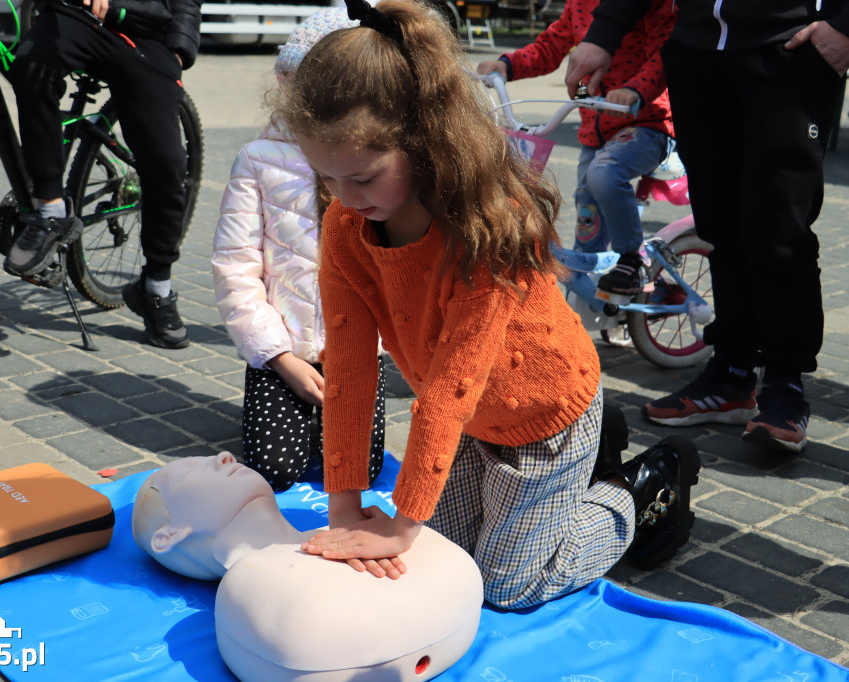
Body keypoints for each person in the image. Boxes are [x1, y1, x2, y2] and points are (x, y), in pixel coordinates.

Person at [271, 0, 701, 609]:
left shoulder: (483, 228)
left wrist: (399, 524)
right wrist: (346, 508)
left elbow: (451, 383)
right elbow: (349, 366)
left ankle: (638, 488)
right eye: (326, 177)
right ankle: (576, 481)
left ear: (420, 141)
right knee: (447, 559)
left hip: (547, 412)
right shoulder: (347, 226)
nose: (343, 197)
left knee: (505, 585)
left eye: (363, 178)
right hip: (479, 420)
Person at [564, 0, 849, 453]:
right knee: (720, 225)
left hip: (789, 49)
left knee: (779, 227)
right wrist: (603, 34)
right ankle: (732, 373)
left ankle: (784, 385)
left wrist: (844, 26)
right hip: (696, 52)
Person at [212, 9, 386, 493]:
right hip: (281, 349)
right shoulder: (258, 160)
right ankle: (282, 398)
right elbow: (235, 268)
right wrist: (278, 356)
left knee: (359, 471)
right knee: (276, 470)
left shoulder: (376, 160)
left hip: (354, 349)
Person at [131, 452, 485, 682]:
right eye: (193, 470)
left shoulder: (262, 597)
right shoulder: (256, 593)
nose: (224, 456)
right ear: (169, 535)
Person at [5, 0, 200, 349]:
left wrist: (180, 48)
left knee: (168, 164)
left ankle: (156, 287)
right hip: (73, 17)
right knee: (30, 64)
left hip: (145, 33)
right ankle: (50, 211)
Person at [477, 0, 675, 294]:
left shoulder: (644, 5)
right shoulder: (578, 4)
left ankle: (632, 260)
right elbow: (550, 47)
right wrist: (506, 65)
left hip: (645, 123)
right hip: (595, 133)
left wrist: (636, 89)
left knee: (604, 174)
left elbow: (665, 53)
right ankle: (592, 296)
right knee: (586, 216)